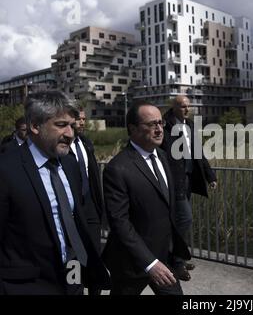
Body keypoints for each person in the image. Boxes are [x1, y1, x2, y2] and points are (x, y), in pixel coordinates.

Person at [0, 91, 109, 295]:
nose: (70, 133)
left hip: (72, 279)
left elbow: (77, 218)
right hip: (27, 286)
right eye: (61, 125)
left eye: (72, 125)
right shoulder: (6, 170)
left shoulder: (70, 164)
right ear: (35, 126)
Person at [102, 100, 190, 295]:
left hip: (163, 257)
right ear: (133, 129)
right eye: (152, 124)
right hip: (131, 263)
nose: (159, 129)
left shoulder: (163, 157)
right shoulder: (117, 169)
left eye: (160, 123)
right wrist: (149, 263)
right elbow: (120, 222)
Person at [161, 95, 217, 281]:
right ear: (174, 107)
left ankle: (176, 258)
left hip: (188, 179)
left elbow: (198, 152)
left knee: (178, 221)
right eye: (183, 106)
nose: (187, 109)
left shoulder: (190, 125)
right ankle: (177, 263)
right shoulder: (165, 124)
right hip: (173, 181)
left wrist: (210, 176)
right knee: (185, 219)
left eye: (188, 106)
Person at [69, 106, 105, 295]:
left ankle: (95, 290)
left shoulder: (86, 143)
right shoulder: (62, 146)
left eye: (84, 119)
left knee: (94, 252)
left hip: (90, 204)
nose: (82, 122)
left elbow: (92, 176)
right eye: (78, 119)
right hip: (73, 207)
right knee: (75, 254)